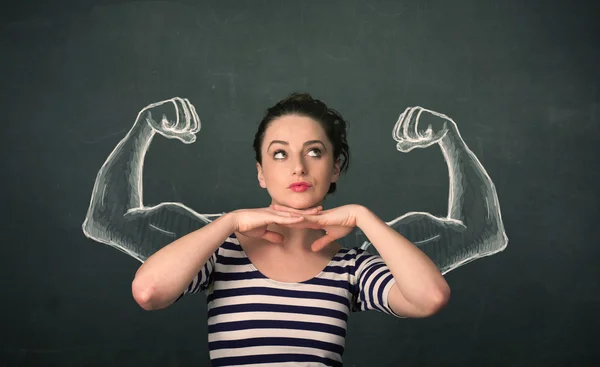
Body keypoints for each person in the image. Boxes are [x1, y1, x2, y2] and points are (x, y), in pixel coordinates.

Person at [129, 93, 451, 366]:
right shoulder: (222, 253)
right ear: (261, 173)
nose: (299, 166)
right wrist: (229, 223)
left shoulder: (350, 267)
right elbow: (148, 292)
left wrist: (363, 217)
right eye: (280, 154)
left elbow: (430, 298)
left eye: (314, 152)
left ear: (335, 167)